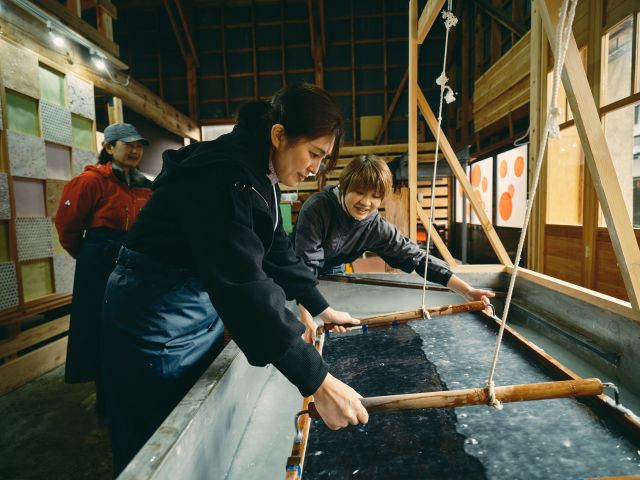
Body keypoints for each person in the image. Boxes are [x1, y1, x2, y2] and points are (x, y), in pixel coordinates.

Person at [101, 84, 369, 475]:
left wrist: (320, 306)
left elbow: (274, 246)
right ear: (279, 135)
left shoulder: (259, 171)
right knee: (156, 438)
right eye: (314, 153)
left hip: (192, 306)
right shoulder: (223, 175)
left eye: (323, 159)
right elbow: (243, 287)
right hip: (153, 314)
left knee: (192, 417)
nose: (316, 168)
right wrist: (318, 381)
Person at [293, 154, 495, 343]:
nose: (365, 202)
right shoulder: (317, 209)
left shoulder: (375, 226)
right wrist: (306, 314)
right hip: (292, 266)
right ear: (344, 186)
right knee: (300, 319)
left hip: (333, 268)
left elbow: (417, 258)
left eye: (375, 196)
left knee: (334, 320)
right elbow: (304, 266)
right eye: (359, 192)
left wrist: (467, 291)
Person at [55, 123, 152, 416]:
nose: (135, 150)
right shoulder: (89, 181)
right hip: (100, 266)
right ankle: (106, 402)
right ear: (109, 148)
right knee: (102, 331)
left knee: (135, 329)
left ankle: (135, 396)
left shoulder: (147, 185)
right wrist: (90, 258)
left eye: (139, 145)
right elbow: (68, 228)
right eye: (128, 144)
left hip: (136, 264)